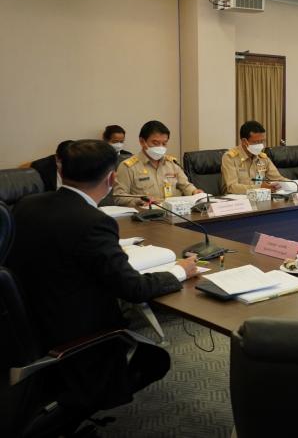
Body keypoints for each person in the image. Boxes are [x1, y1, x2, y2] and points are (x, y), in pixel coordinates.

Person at [6, 139, 199, 425]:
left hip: (26, 325)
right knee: (155, 359)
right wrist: (180, 271)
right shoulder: (93, 221)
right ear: (111, 178)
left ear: (61, 170)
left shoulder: (26, 205)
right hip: (73, 335)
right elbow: (133, 289)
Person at [113, 120, 203, 207]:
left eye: (164, 143)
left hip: (175, 212)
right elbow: (119, 197)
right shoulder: (128, 167)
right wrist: (140, 200)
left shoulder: (172, 163)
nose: (160, 147)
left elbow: (185, 186)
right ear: (142, 141)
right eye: (155, 143)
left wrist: (194, 192)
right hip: (147, 214)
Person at [221, 120, 298, 194]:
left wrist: (297, 185)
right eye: (256, 142)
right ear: (244, 141)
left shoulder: (262, 158)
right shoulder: (230, 158)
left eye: (262, 141)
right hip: (237, 201)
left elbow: (278, 179)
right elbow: (232, 187)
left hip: (260, 198)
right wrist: (260, 188)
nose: (260, 145)